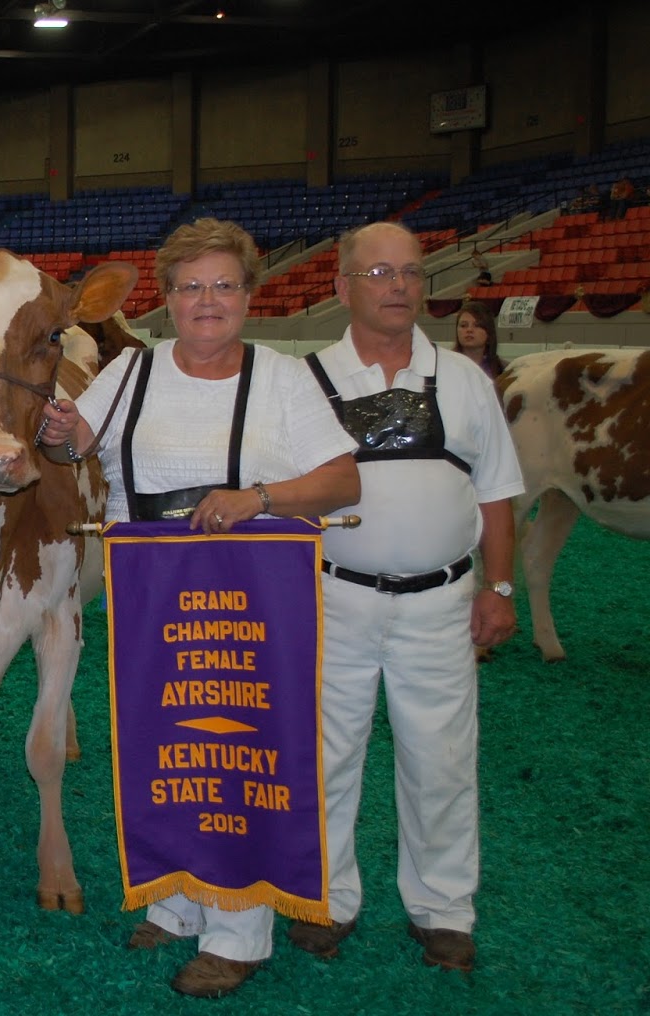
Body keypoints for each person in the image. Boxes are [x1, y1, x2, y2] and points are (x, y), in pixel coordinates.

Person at [37, 217, 359, 999]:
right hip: (152, 587)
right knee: (163, 746)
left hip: (254, 594)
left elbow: (344, 481)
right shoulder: (130, 374)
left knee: (239, 750)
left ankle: (239, 930)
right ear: (167, 298)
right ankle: (180, 901)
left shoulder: (282, 378)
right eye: (189, 287)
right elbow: (79, 447)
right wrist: (60, 431)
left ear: (250, 294)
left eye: (223, 286)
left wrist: (261, 497)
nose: (205, 302)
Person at [291, 222, 522, 975]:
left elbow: (495, 493)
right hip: (334, 602)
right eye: (381, 272)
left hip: (441, 605)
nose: (399, 286)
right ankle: (325, 896)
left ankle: (443, 910)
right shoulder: (306, 382)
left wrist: (501, 584)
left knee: (443, 758)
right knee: (326, 756)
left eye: (412, 273)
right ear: (342, 287)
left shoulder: (462, 380)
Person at [451, 302, 504, 379]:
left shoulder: (502, 369)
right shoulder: (445, 365)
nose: (469, 330)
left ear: (489, 332)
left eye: (477, 325)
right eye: (463, 325)